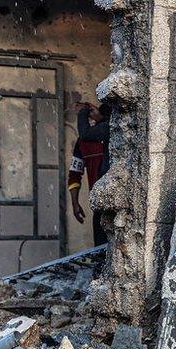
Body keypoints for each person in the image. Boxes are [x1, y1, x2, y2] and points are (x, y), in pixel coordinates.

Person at [68, 102, 111, 246]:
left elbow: (74, 173)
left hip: (107, 201)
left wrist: (75, 203)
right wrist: (75, 202)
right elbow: (75, 172)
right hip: (100, 202)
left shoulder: (108, 131)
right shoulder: (84, 141)